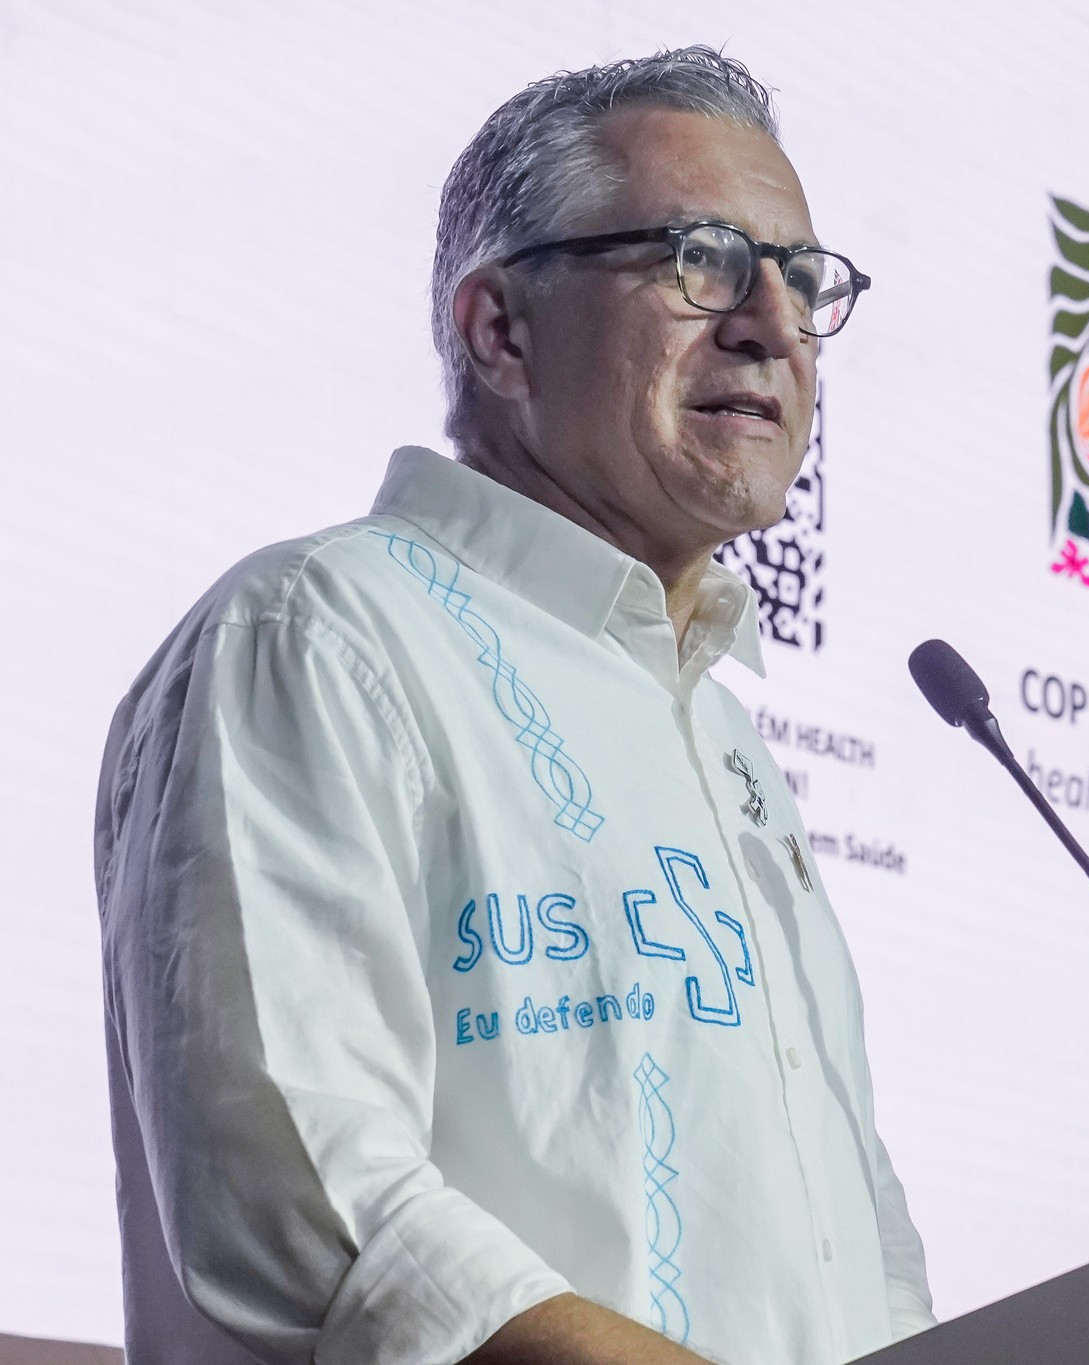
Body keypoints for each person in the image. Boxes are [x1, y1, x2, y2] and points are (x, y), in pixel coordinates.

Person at [93, 48, 933, 1365]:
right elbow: (315, 1216)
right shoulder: (320, 636)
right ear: (499, 329)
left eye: (806, 278)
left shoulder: (720, 734)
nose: (773, 320)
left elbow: (862, 1246)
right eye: (704, 258)